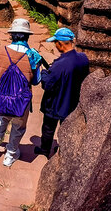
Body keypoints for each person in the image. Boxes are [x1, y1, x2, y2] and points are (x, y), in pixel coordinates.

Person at [0, 18, 43, 167]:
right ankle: (10, 155)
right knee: (18, 126)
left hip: (2, 95)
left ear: (12, 35)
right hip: (20, 100)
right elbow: (36, 81)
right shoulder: (32, 56)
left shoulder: (1, 51)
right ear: (27, 36)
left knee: (2, 118)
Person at [35, 27, 89, 157]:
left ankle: (45, 150)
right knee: (67, 128)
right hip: (73, 100)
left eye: (55, 43)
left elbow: (47, 85)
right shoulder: (83, 58)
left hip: (56, 102)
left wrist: (43, 72)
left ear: (60, 43)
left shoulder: (60, 64)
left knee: (48, 128)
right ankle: (64, 150)